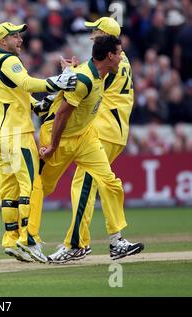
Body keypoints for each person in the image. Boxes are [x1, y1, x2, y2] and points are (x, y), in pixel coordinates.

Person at [19, 35, 144, 263]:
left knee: (109, 182)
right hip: (60, 137)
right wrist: (53, 145)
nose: (122, 58)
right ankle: (28, 239)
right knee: (40, 186)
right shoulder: (85, 80)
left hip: (85, 137)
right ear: (109, 56)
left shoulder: (101, 72)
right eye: (119, 53)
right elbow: (61, 115)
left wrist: (69, 70)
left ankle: (117, 240)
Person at [0, 22, 77, 262]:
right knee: (31, 185)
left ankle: (12, 240)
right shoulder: (8, 61)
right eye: (15, 36)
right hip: (16, 134)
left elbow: (22, 98)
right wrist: (60, 81)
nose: (20, 39)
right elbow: (27, 84)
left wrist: (46, 101)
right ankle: (29, 240)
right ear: (3, 41)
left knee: (10, 191)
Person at [50, 17, 137, 262]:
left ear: (105, 37)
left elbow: (85, 81)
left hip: (103, 129)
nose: (91, 35)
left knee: (84, 187)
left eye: (96, 31)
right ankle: (116, 240)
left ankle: (76, 244)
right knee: (104, 184)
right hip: (115, 131)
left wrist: (68, 71)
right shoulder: (122, 59)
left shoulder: (111, 62)